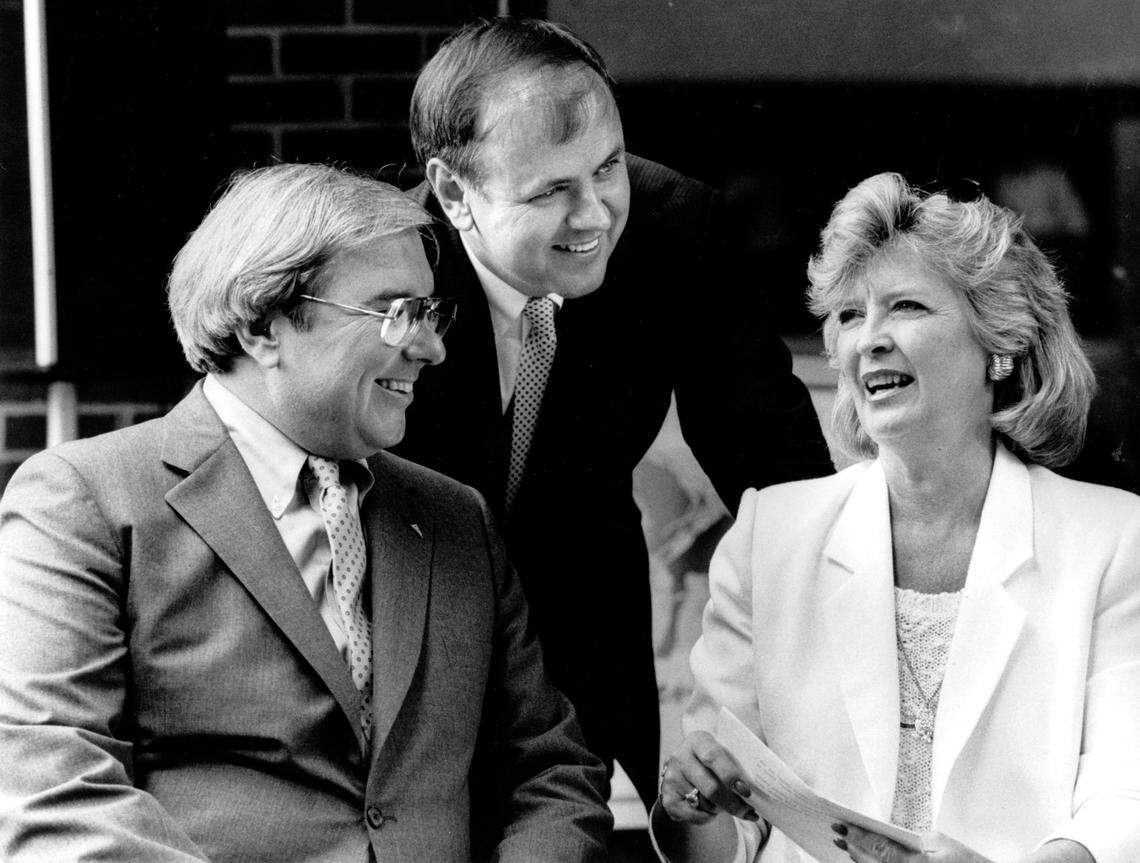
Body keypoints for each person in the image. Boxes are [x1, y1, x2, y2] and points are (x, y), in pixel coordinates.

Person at [0, 163, 612, 862]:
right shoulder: (85, 501)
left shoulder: (455, 518)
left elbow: (551, 771)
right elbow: (56, 795)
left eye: (431, 311)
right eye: (396, 312)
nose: (432, 347)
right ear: (265, 325)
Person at [396, 17, 834, 809]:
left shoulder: (676, 228)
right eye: (552, 190)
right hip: (411, 643)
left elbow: (776, 464)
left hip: (585, 629)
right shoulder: (383, 265)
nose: (595, 213)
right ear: (455, 191)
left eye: (607, 168)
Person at [656, 172, 1140, 863]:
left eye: (905, 307)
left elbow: (1126, 799)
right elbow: (728, 837)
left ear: (999, 341)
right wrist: (692, 805)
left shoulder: (1114, 539)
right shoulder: (771, 534)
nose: (868, 340)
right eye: (850, 315)